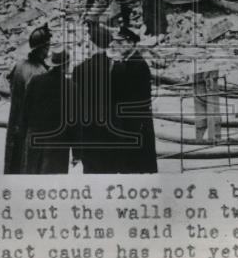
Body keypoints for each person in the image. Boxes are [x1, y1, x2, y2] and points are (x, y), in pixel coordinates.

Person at [72, 21, 121, 174]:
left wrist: (76, 149)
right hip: (113, 136)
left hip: (89, 136)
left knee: (91, 177)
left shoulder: (79, 70)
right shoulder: (118, 68)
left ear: (92, 44)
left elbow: (76, 110)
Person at [21, 46, 77, 174]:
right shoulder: (71, 87)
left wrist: (25, 135)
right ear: (67, 64)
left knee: (32, 177)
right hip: (58, 143)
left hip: (34, 139)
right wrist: (76, 152)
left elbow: (25, 111)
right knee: (53, 183)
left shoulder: (35, 81)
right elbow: (73, 123)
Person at [3, 25, 51, 174]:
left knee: (14, 154)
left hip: (15, 118)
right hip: (30, 123)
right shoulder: (40, 72)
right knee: (27, 160)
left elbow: (8, 86)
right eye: (47, 46)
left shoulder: (18, 66)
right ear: (42, 49)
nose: (48, 50)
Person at [111, 44, 157, 173]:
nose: (118, 45)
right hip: (132, 117)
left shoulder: (138, 64)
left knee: (139, 159)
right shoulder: (130, 61)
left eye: (121, 42)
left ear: (130, 43)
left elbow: (141, 96)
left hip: (137, 118)